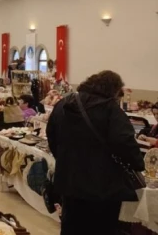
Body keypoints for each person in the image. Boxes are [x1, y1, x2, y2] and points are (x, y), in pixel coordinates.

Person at [47, 70, 144, 235]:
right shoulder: (110, 109)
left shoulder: (63, 104)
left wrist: (66, 161)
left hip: (70, 180)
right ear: (113, 90)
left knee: (71, 226)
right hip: (103, 186)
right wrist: (138, 164)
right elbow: (125, 143)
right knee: (101, 228)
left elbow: (52, 137)